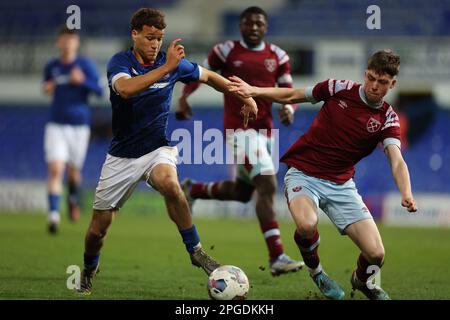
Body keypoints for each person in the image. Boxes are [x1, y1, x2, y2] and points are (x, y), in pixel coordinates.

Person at [77, 8, 258, 295]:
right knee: (98, 231)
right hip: (121, 157)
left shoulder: (170, 62)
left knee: (169, 183)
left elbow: (209, 76)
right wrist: (167, 68)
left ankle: (196, 250)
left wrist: (243, 96)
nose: (155, 44)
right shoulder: (120, 62)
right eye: (150, 37)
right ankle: (88, 268)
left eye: (160, 38)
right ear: (134, 34)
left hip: (156, 148)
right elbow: (126, 90)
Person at [227, 49, 418, 300]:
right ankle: (317, 272)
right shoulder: (338, 87)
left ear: (392, 84)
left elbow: (397, 160)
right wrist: (255, 90)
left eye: (382, 82)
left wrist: (406, 192)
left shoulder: (387, 118)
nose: (374, 86)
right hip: (303, 174)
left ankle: (362, 281)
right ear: (365, 74)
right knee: (306, 224)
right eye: (371, 78)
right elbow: (294, 94)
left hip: (341, 185)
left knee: (376, 255)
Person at [176, 6, 304, 276]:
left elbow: (288, 89)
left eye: (259, 23)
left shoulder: (278, 55)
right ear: (241, 26)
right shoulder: (225, 51)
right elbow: (201, 74)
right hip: (239, 129)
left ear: (266, 27)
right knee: (267, 183)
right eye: (249, 23)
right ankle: (277, 256)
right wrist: (185, 97)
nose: (254, 27)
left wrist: (289, 109)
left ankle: (194, 189)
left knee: (243, 193)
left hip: (267, 131)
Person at [43, 26, 103, 234]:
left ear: (76, 43)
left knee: (73, 172)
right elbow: (46, 86)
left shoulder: (85, 65)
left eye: (72, 39)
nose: (68, 42)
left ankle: (72, 198)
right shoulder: (52, 66)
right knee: (56, 169)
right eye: (64, 39)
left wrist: (83, 81)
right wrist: (47, 88)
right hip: (56, 124)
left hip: (79, 126)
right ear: (58, 42)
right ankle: (53, 215)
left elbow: (100, 91)